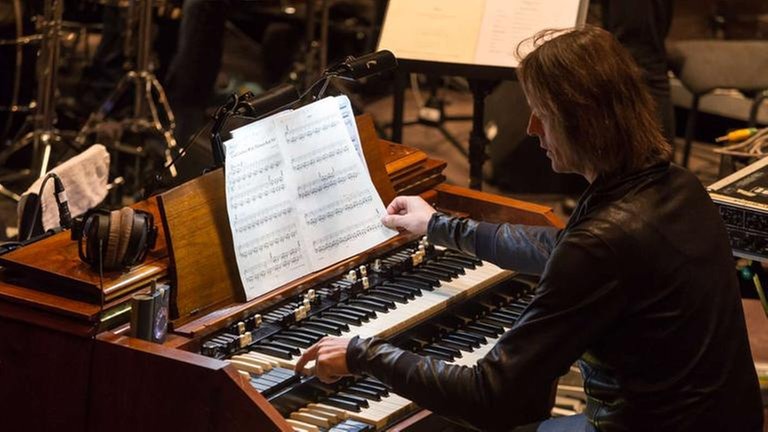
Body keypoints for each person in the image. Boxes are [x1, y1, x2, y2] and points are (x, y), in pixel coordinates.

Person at [294, 26, 764, 431]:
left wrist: (363, 354)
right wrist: (439, 225)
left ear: (583, 122)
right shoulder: (677, 186)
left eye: (542, 112)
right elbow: (561, 246)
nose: (532, 128)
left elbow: (490, 396)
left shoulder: (603, 242)